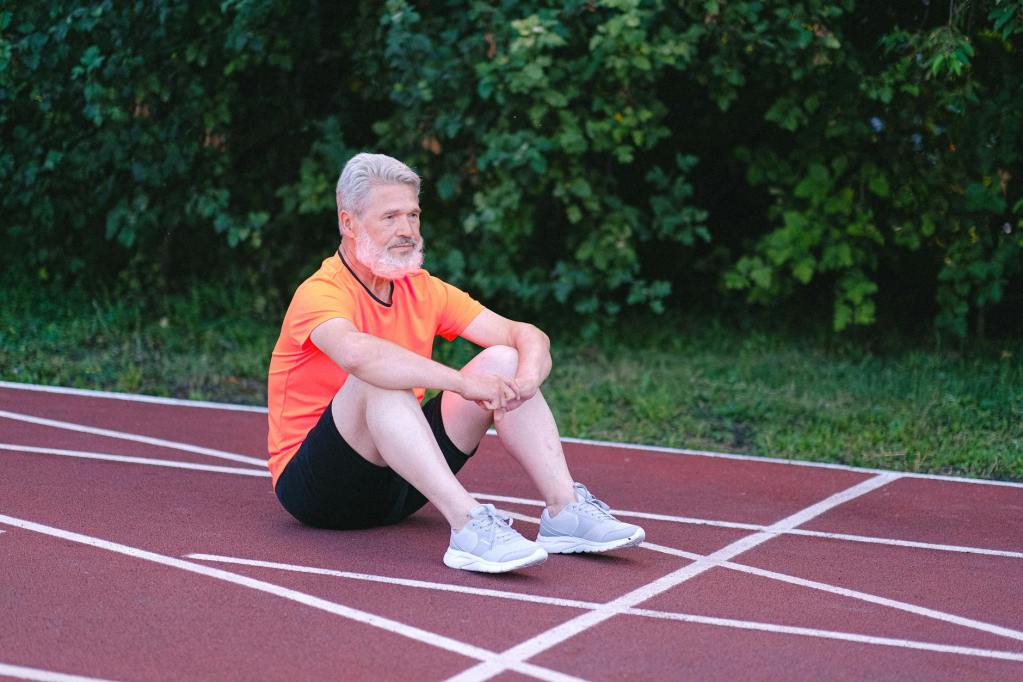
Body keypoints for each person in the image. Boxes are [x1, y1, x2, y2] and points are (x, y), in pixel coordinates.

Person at [267, 152, 645, 573]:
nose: (407, 230)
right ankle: (468, 524)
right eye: (390, 217)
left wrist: (528, 376)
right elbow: (360, 355)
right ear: (349, 223)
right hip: (318, 490)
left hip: (399, 486)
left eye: (413, 215)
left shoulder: (422, 289)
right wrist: (463, 384)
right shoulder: (319, 292)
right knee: (375, 377)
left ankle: (565, 510)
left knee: (502, 360)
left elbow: (524, 335)